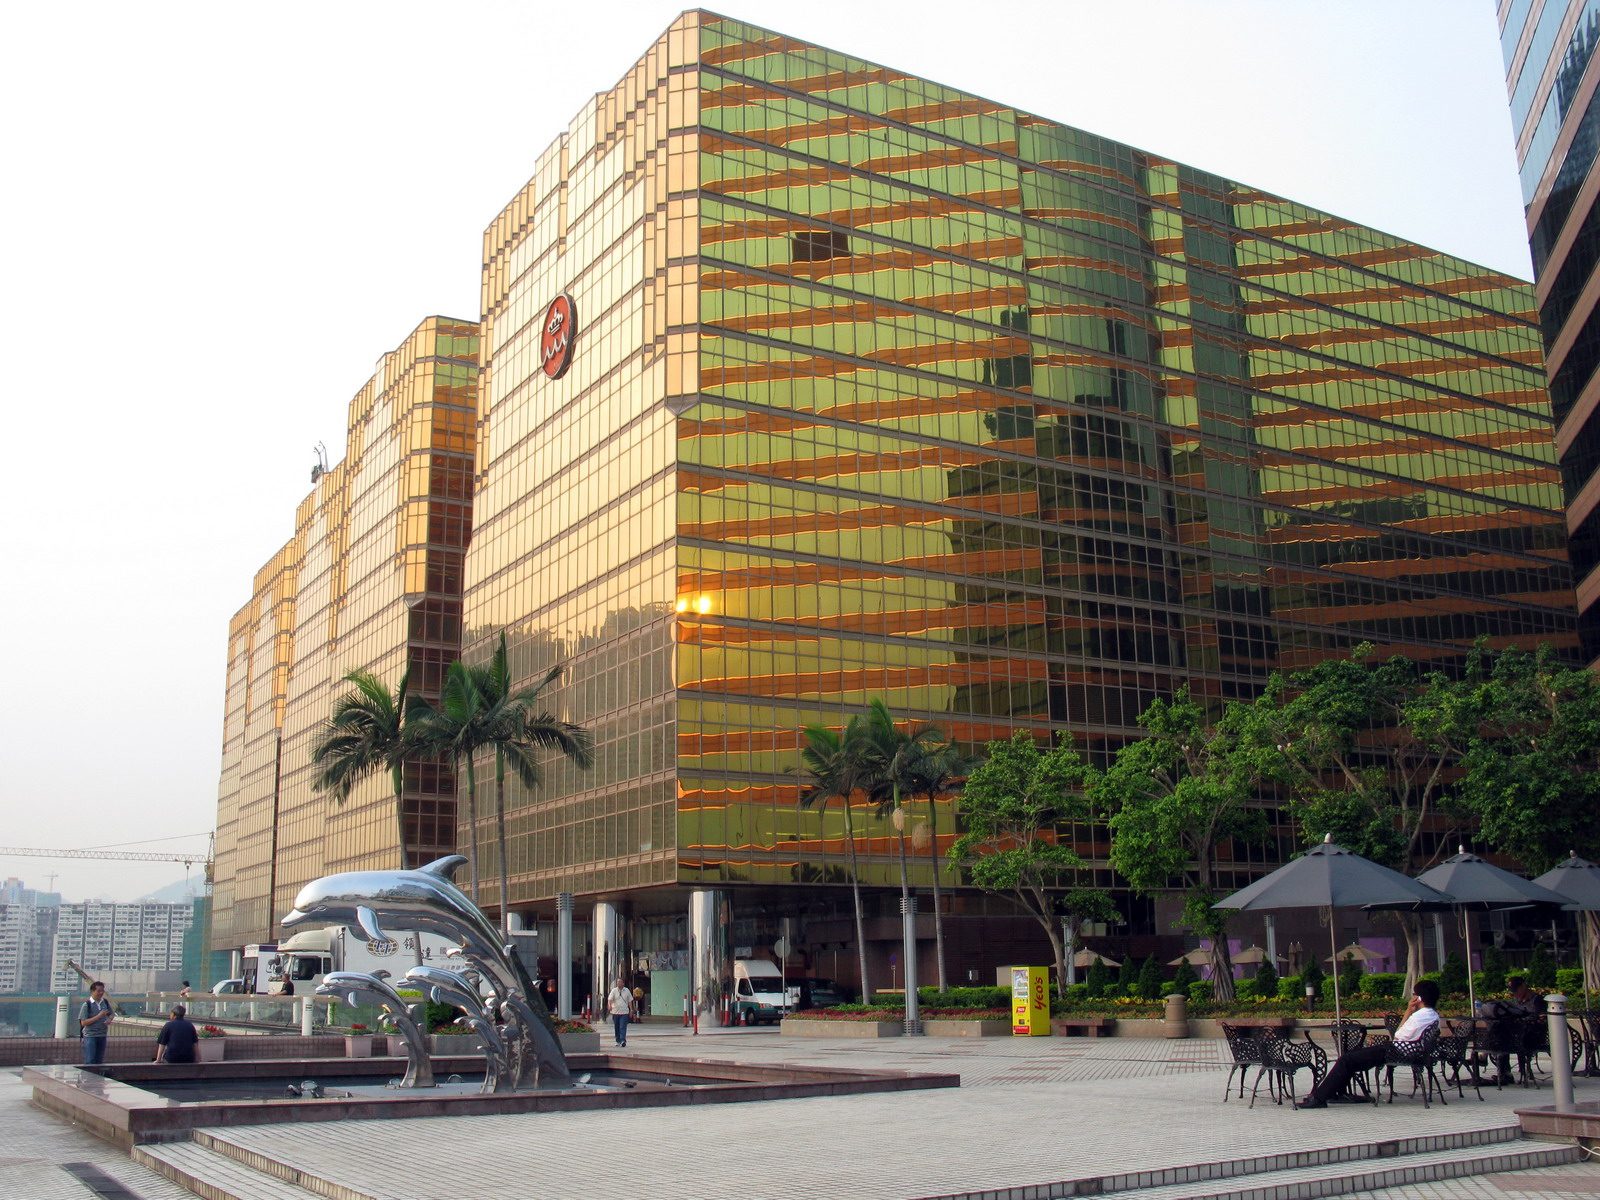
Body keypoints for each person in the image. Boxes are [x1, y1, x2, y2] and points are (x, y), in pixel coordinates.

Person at [1297, 979, 1440, 1108]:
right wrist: (1409, 1010)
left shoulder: (1420, 1016)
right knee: (1350, 1058)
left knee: (1346, 1059)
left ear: (1419, 998)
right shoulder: (1433, 1015)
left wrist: (1408, 1011)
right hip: (1405, 1050)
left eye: (1414, 994)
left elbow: (1398, 1034)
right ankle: (1335, 1092)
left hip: (1396, 1051)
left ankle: (1319, 1098)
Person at [78, 981, 114, 1065]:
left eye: (102, 991)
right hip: (90, 1036)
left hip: (102, 1034)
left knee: (99, 1060)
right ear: (92, 991)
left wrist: (109, 1019)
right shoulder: (87, 1005)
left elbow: (111, 1014)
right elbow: (83, 1022)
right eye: (98, 991)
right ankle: (89, 1077)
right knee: (90, 1060)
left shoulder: (105, 1002)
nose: (101, 993)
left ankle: (98, 1077)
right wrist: (99, 1016)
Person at [606, 978, 635, 1047]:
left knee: (622, 1026)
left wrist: (631, 1010)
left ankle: (623, 1041)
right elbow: (609, 999)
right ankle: (618, 1040)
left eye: (620, 982)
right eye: (617, 982)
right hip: (615, 1012)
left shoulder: (627, 990)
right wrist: (609, 1006)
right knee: (617, 1027)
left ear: (623, 983)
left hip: (624, 1012)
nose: (618, 983)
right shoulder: (614, 990)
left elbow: (630, 1001)